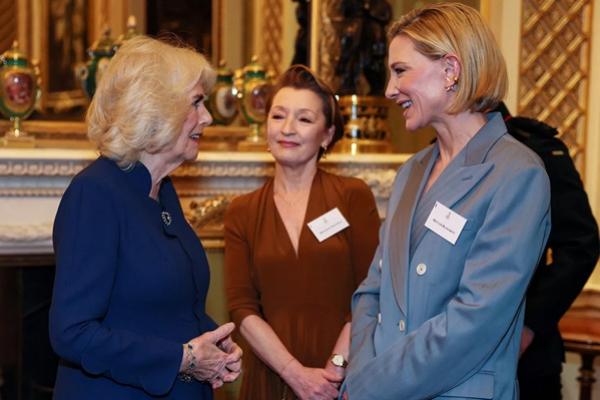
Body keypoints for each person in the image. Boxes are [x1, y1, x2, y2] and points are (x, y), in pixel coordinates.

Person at [344, 3, 551, 399]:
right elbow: (372, 291)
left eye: (400, 71)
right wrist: (360, 374)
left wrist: (374, 384)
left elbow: (475, 320)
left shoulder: (517, 174)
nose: (389, 89)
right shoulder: (411, 171)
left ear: (451, 70)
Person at [49, 36, 242, 400]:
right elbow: (72, 332)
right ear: (156, 109)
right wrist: (183, 358)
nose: (209, 117)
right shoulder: (95, 194)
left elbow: (168, 307)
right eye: (197, 102)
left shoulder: (162, 191)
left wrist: (214, 345)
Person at [224, 64, 380, 400]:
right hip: (270, 377)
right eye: (278, 116)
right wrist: (294, 374)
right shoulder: (242, 211)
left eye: (305, 119)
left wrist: (336, 368)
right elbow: (241, 308)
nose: (288, 129)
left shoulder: (352, 196)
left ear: (326, 135)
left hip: (343, 377)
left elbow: (372, 290)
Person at [494, 102, 600, 399]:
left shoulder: (535, 151)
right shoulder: (437, 156)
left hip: (525, 358)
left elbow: (580, 246)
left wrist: (529, 324)